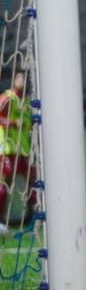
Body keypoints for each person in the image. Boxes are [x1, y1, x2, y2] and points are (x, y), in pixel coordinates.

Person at [0, 70, 34, 221]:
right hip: (8, 149)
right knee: (5, 184)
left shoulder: (27, 102)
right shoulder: (7, 98)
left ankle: (31, 215)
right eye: (20, 78)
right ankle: (1, 219)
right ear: (14, 79)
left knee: (33, 181)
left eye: (25, 79)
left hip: (24, 150)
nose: (22, 81)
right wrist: (13, 123)